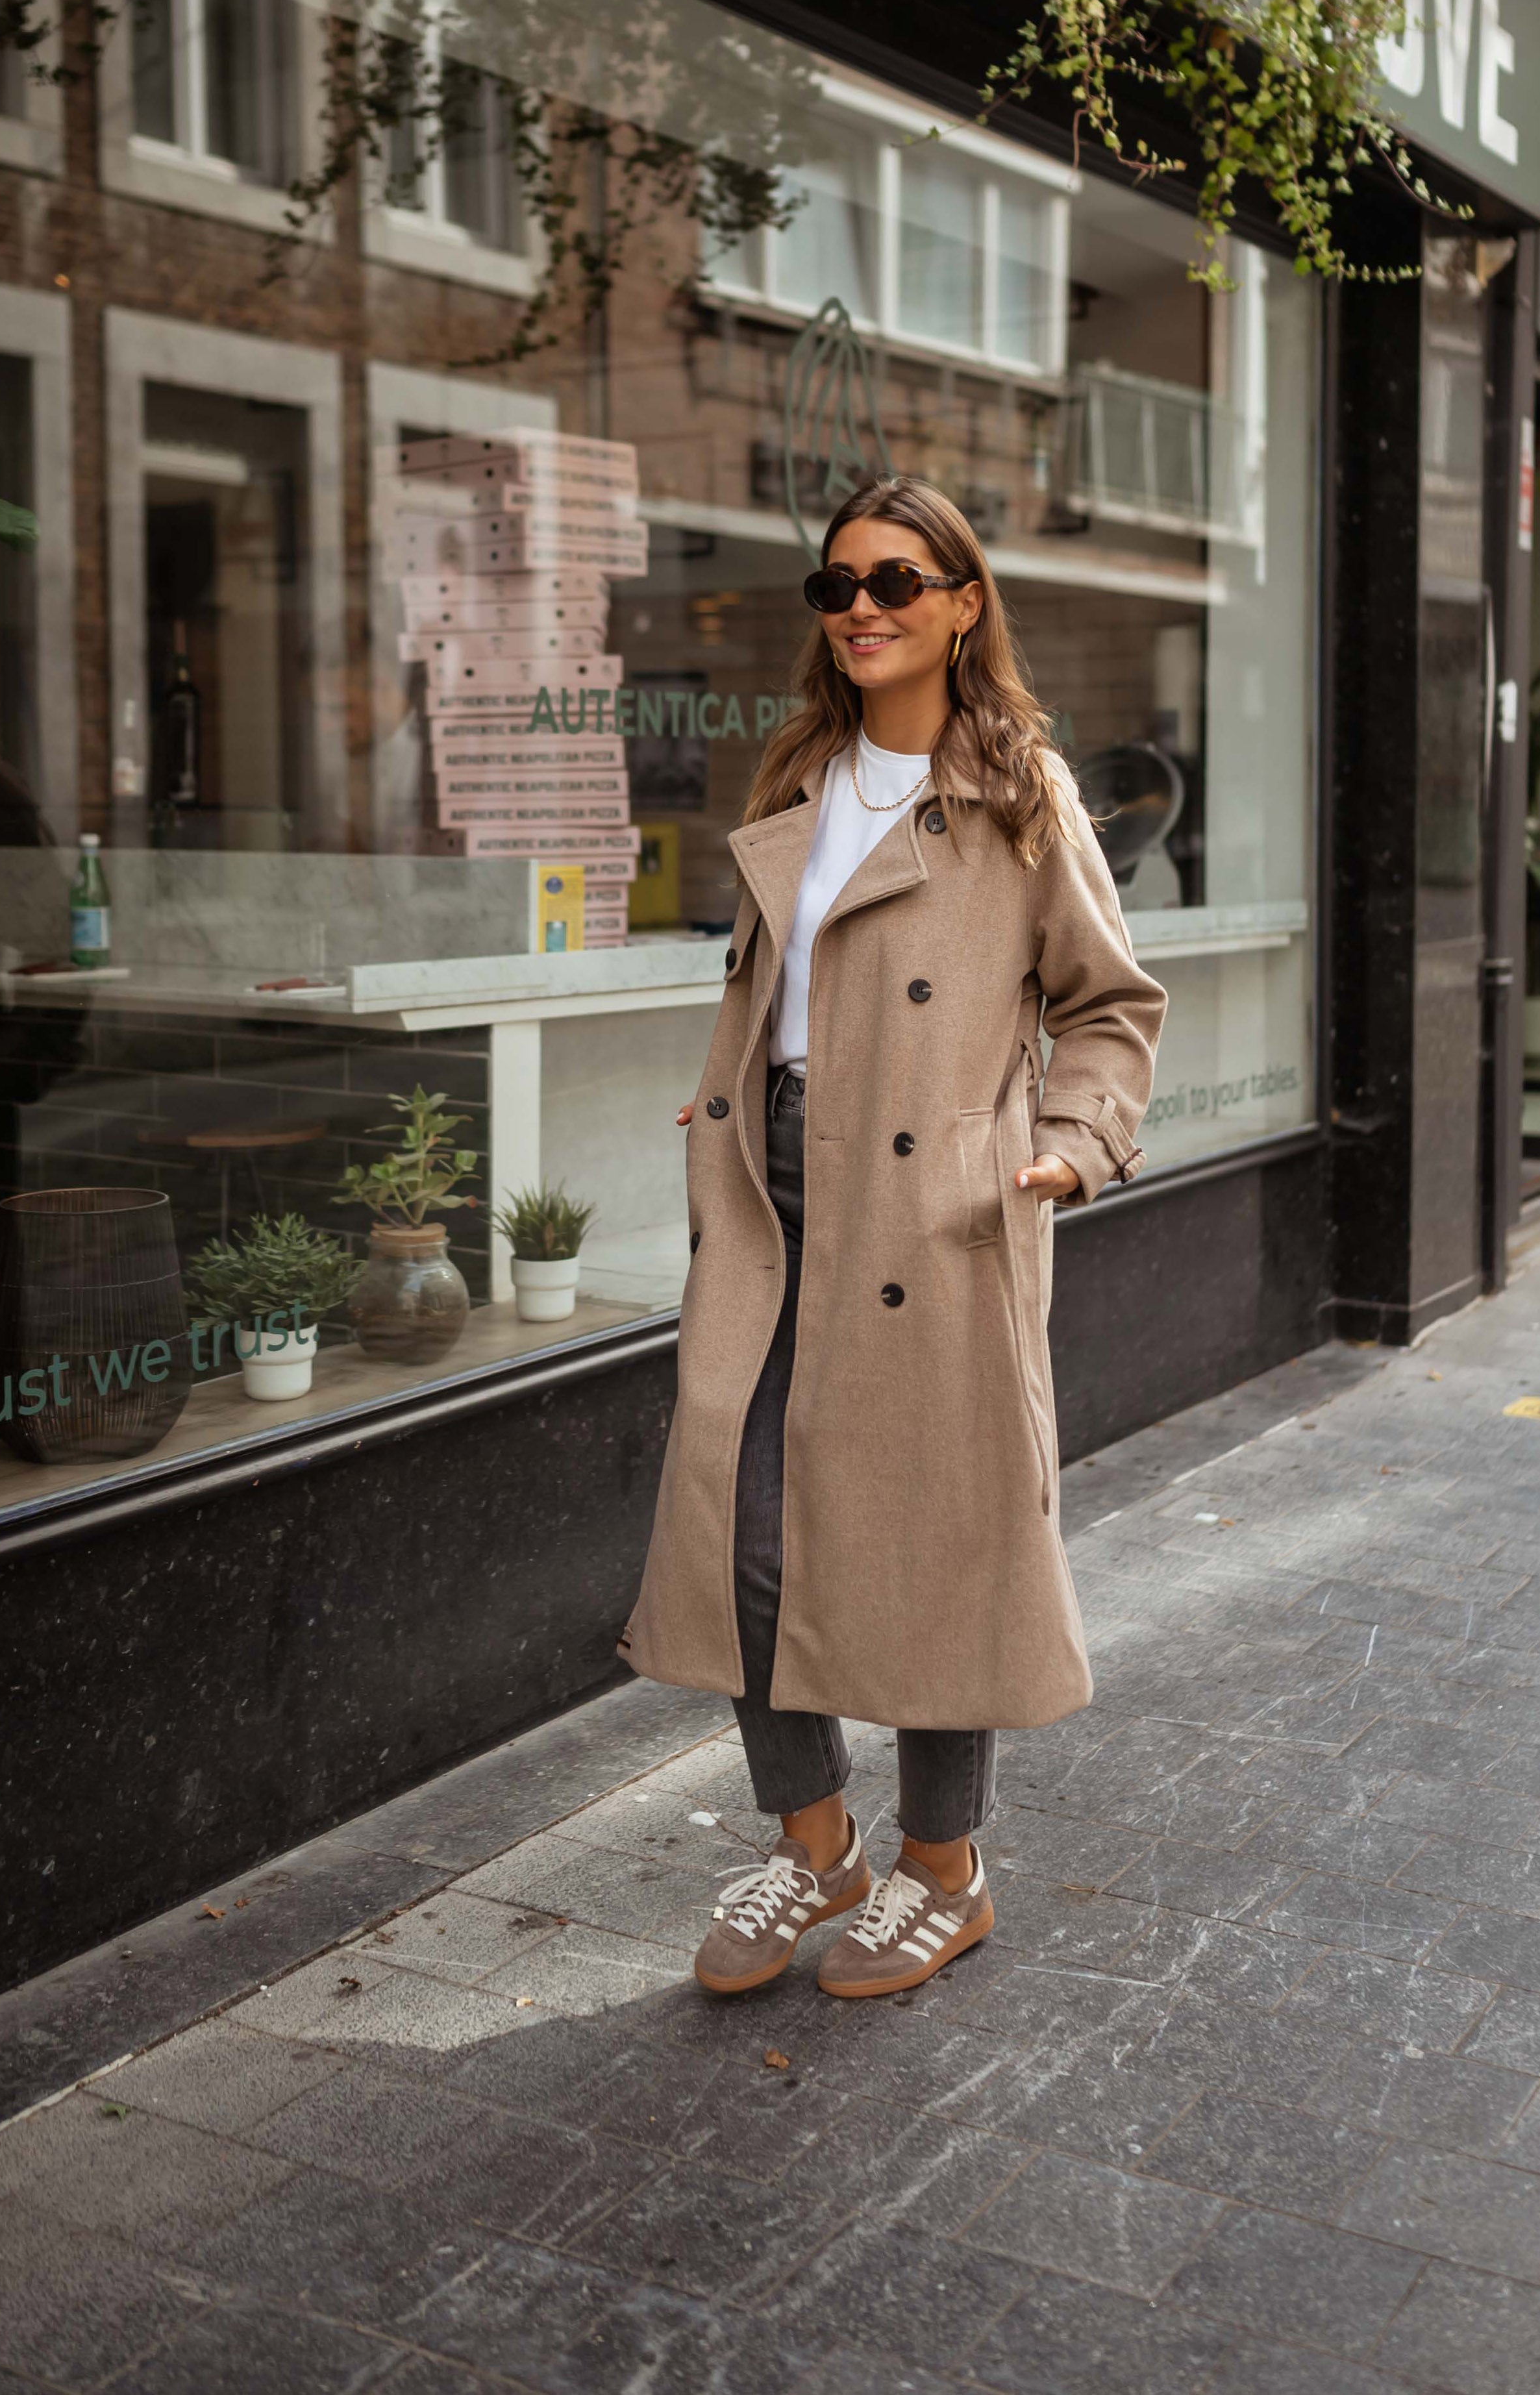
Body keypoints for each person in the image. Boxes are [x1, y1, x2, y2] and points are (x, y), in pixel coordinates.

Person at [617, 473, 1167, 2001]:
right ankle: (813, 1847)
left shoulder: (1020, 796)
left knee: (935, 1532)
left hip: (937, 1200)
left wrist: (1067, 1152)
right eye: (837, 586)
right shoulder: (796, 769)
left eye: (896, 582)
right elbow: (770, 991)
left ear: (962, 602)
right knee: (744, 1525)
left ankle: (944, 1872)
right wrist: (725, 1095)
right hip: (773, 1186)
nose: (861, 607)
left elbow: (1109, 1006)